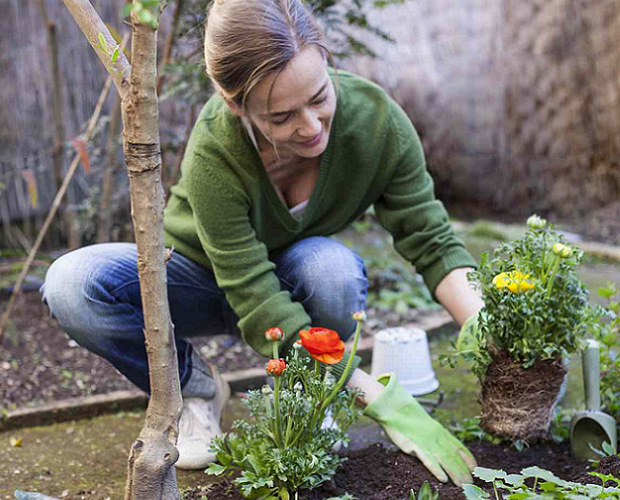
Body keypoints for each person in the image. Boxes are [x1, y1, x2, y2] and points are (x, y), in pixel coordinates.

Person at [40, 0, 483, 486]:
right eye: (281, 116)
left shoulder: (376, 124)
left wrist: (488, 333)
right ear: (235, 105)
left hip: (294, 284)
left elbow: (431, 239)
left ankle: (306, 393)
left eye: (319, 97)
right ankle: (197, 389)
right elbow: (251, 290)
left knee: (330, 269)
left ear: (326, 61)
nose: (311, 127)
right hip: (198, 279)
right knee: (71, 284)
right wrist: (367, 390)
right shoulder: (217, 148)